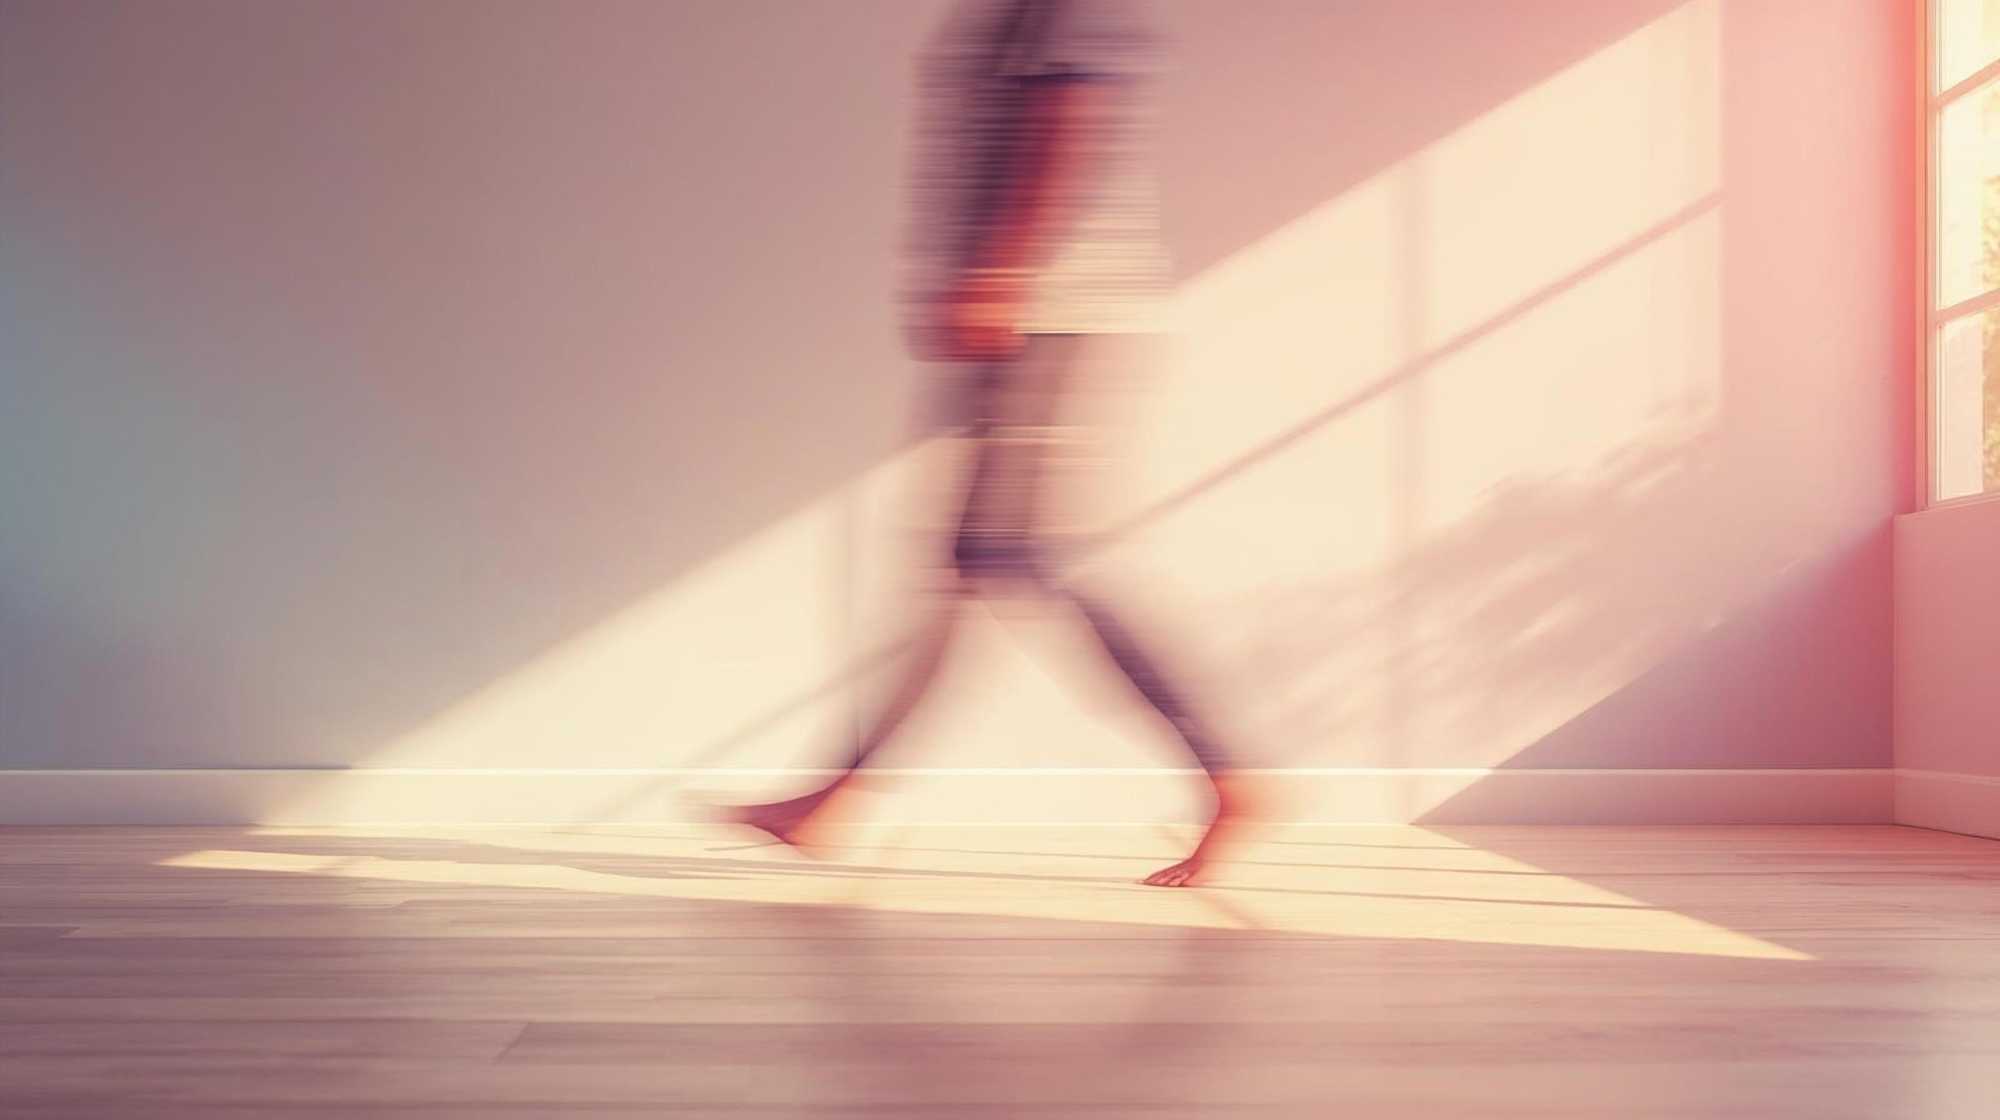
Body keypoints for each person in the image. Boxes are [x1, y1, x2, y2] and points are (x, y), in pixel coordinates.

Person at [728, 0, 1250, 887]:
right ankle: (834, 797)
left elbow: (1070, 113)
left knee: (1017, 554)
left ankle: (1230, 774)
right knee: (969, 560)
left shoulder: (1060, 7)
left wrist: (998, 273)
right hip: (1039, 315)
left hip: (1053, 314)